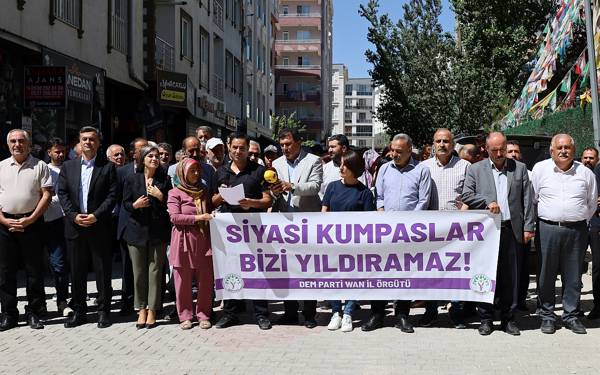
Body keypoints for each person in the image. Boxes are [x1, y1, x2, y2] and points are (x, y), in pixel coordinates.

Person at [462, 132, 535, 336]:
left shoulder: (519, 168)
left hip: (512, 229)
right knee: (485, 274)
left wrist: (529, 227)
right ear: (486, 149)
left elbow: (528, 199)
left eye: (502, 148)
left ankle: (508, 319)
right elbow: (466, 194)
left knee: (510, 277)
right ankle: (485, 318)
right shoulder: (476, 169)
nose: (500, 153)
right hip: (486, 232)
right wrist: (486, 202)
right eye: (495, 150)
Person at [361, 133, 431, 333]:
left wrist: (408, 224)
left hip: (409, 232)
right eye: (392, 150)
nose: (394, 154)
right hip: (386, 231)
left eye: (399, 151)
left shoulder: (421, 170)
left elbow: (423, 201)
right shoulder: (384, 169)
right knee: (380, 272)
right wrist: (382, 214)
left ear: (410, 150)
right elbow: (379, 195)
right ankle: (377, 315)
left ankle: (401, 315)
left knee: (404, 273)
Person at [532, 134, 597, 334]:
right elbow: (534, 199)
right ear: (551, 150)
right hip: (547, 228)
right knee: (545, 274)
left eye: (567, 147)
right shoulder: (540, 169)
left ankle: (571, 315)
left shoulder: (585, 173)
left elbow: (592, 203)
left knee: (573, 275)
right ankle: (547, 315)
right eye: (559, 147)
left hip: (576, 230)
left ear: (573, 150)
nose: (563, 151)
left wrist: (576, 218)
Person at [212, 133, 273, 330]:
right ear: (229, 148)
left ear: (248, 150)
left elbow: (268, 200)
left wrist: (251, 203)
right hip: (229, 230)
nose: (238, 151)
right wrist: (221, 196)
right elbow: (210, 201)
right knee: (230, 270)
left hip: (254, 228)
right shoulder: (220, 171)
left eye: (242, 148)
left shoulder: (259, 171)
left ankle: (261, 314)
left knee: (257, 271)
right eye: (235, 147)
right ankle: (230, 313)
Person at [58, 126, 117, 328]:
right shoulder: (68, 167)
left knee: (102, 270)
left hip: (98, 226)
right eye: (84, 139)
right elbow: (62, 194)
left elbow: (112, 196)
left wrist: (96, 215)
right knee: (77, 271)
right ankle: (80, 311)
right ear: (79, 142)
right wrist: (74, 216)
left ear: (99, 143)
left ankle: (103, 311)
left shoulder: (108, 167)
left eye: (92, 139)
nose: (88, 142)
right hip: (75, 227)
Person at [0, 129, 52, 331]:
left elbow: (46, 195)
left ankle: (34, 312)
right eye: (13, 141)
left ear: (28, 144)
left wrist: (30, 219)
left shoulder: (39, 166)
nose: (17, 144)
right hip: (5, 225)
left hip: (32, 224)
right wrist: (4, 220)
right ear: (8, 145)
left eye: (21, 141)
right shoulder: (1, 166)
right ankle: (9, 314)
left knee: (34, 271)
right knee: (5, 272)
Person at [270, 128, 323, 328]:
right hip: (284, 224)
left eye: (288, 144)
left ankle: (309, 314)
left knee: (308, 269)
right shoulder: (276, 163)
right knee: (287, 269)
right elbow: (274, 191)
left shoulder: (313, 160)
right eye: (281, 145)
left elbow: (316, 186)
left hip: (308, 223)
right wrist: (274, 192)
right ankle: (290, 312)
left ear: (298, 143)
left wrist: (292, 186)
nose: (284, 148)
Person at [420, 129, 471, 328]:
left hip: (456, 228)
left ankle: (456, 311)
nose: (442, 144)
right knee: (431, 272)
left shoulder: (465, 166)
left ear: (453, 144)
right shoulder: (423, 167)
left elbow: (470, 194)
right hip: (430, 229)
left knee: (455, 272)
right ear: (433, 144)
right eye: (438, 141)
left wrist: (464, 212)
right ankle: (430, 311)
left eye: (446, 141)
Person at [322, 150, 375, 332]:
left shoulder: (365, 193)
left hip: (355, 246)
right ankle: (335, 312)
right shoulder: (332, 187)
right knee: (333, 277)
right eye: (340, 164)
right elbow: (324, 213)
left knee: (354, 278)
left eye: (345, 164)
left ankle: (348, 313)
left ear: (354, 168)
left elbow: (369, 224)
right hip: (332, 242)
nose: (341, 167)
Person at [123, 146, 172, 329]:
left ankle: (153, 310)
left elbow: (171, 205)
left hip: (157, 232)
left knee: (155, 273)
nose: (154, 159)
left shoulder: (164, 179)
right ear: (142, 159)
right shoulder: (131, 178)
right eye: (150, 156)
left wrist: (161, 197)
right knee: (139, 273)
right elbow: (125, 204)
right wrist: (134, 205)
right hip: (136, 231)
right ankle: (141, 308)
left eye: (157, 156)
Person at [167, 158, 214, 330]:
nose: (196, 174)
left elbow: (209, 210)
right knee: (182, 282)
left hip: (203, 239)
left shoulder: (204, 191)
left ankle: (203, 314)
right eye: (192, 171)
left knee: (205, 280)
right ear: (182, 173)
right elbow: (174, 217)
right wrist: (198, 218)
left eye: (197, 170)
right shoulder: (175, 193)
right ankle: (185, 315)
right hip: (183, 241)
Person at [116, 137, 148, 316]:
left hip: (149, 226)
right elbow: (119, 199)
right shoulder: (122, 172)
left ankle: (149, 304)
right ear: (132, 153)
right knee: (128, 267)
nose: (145, 152)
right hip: (128, 225)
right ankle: (127, 302)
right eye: (141, 149)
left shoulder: (156, 169)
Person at [43, 137, 70, 316]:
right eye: (56, 151)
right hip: (50, 221)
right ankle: (58, 300)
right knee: (57, 263)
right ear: (49, 152)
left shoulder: (70, 168)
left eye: (62, 151)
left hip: (70, 221)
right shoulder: (44, 170)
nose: (60, 155)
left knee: (68, 262)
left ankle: (66, 299)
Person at [505, 140, 532, 311]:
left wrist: (529, 226)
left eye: (516, 151)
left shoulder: (528, 172)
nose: (514, 154)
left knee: (522, 267)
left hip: (521, 227)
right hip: (503, 226)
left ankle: (520, 300)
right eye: (510, 151)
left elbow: (530, 201)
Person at [319, 134, 349, 199]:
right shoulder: (324, 169)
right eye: (329, 147)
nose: (329, 150)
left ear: (343, 148)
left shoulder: (355, 168)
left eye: (333, 147)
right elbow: (321, 193)